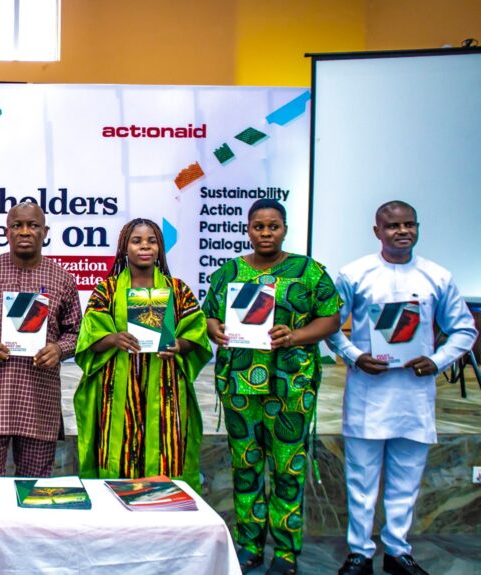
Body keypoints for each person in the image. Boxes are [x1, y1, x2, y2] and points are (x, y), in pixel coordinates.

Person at [327, 201, 476, 575]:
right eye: (393, 226)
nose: (403, 231)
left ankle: (397, 551)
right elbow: (329, 326)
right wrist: (355, 356)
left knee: (406, 479)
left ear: (417, 228)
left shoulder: (436, 276)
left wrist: (438, 360)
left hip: (414, 393)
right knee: (361, 480)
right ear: (377, 231)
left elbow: (463, 329)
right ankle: (359, 553)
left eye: (409, 224)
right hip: (367, 392)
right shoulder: (354, 274)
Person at [201, 198, 342, 575]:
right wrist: (215, 330)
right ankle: (249, 545)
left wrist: (295, 336)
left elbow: (330, 319)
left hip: (290, 385)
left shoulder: (309, 271)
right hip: (240, 385)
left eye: (273, 226)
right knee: (245, 466)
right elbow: (209, 316)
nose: (266, 233)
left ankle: (285, 551)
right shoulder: (229, 272)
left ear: (285, 229)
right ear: (248, 229)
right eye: (258, 227)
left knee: (287, 468)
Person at [74, 218, 212, 488]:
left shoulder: (178, 290)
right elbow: (89, 338)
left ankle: (166, 507)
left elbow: (196, 332)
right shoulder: (107, 290)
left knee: (166, 450)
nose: (144, 246)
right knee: (118, 452)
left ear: (160, 248)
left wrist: (179, 345)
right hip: (118, 390)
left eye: (152, 241)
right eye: (136, 241)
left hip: (166, 388)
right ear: (124, 247)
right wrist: (113, 338)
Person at [0, 201, 82, 479]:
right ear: (6, 232)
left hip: (39, 399)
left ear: (45, 232)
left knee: (34, 487)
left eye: (32, 225)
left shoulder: (63, 279)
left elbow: (76, 332)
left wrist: (59, 349)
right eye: (16, 225)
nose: (24, 231)